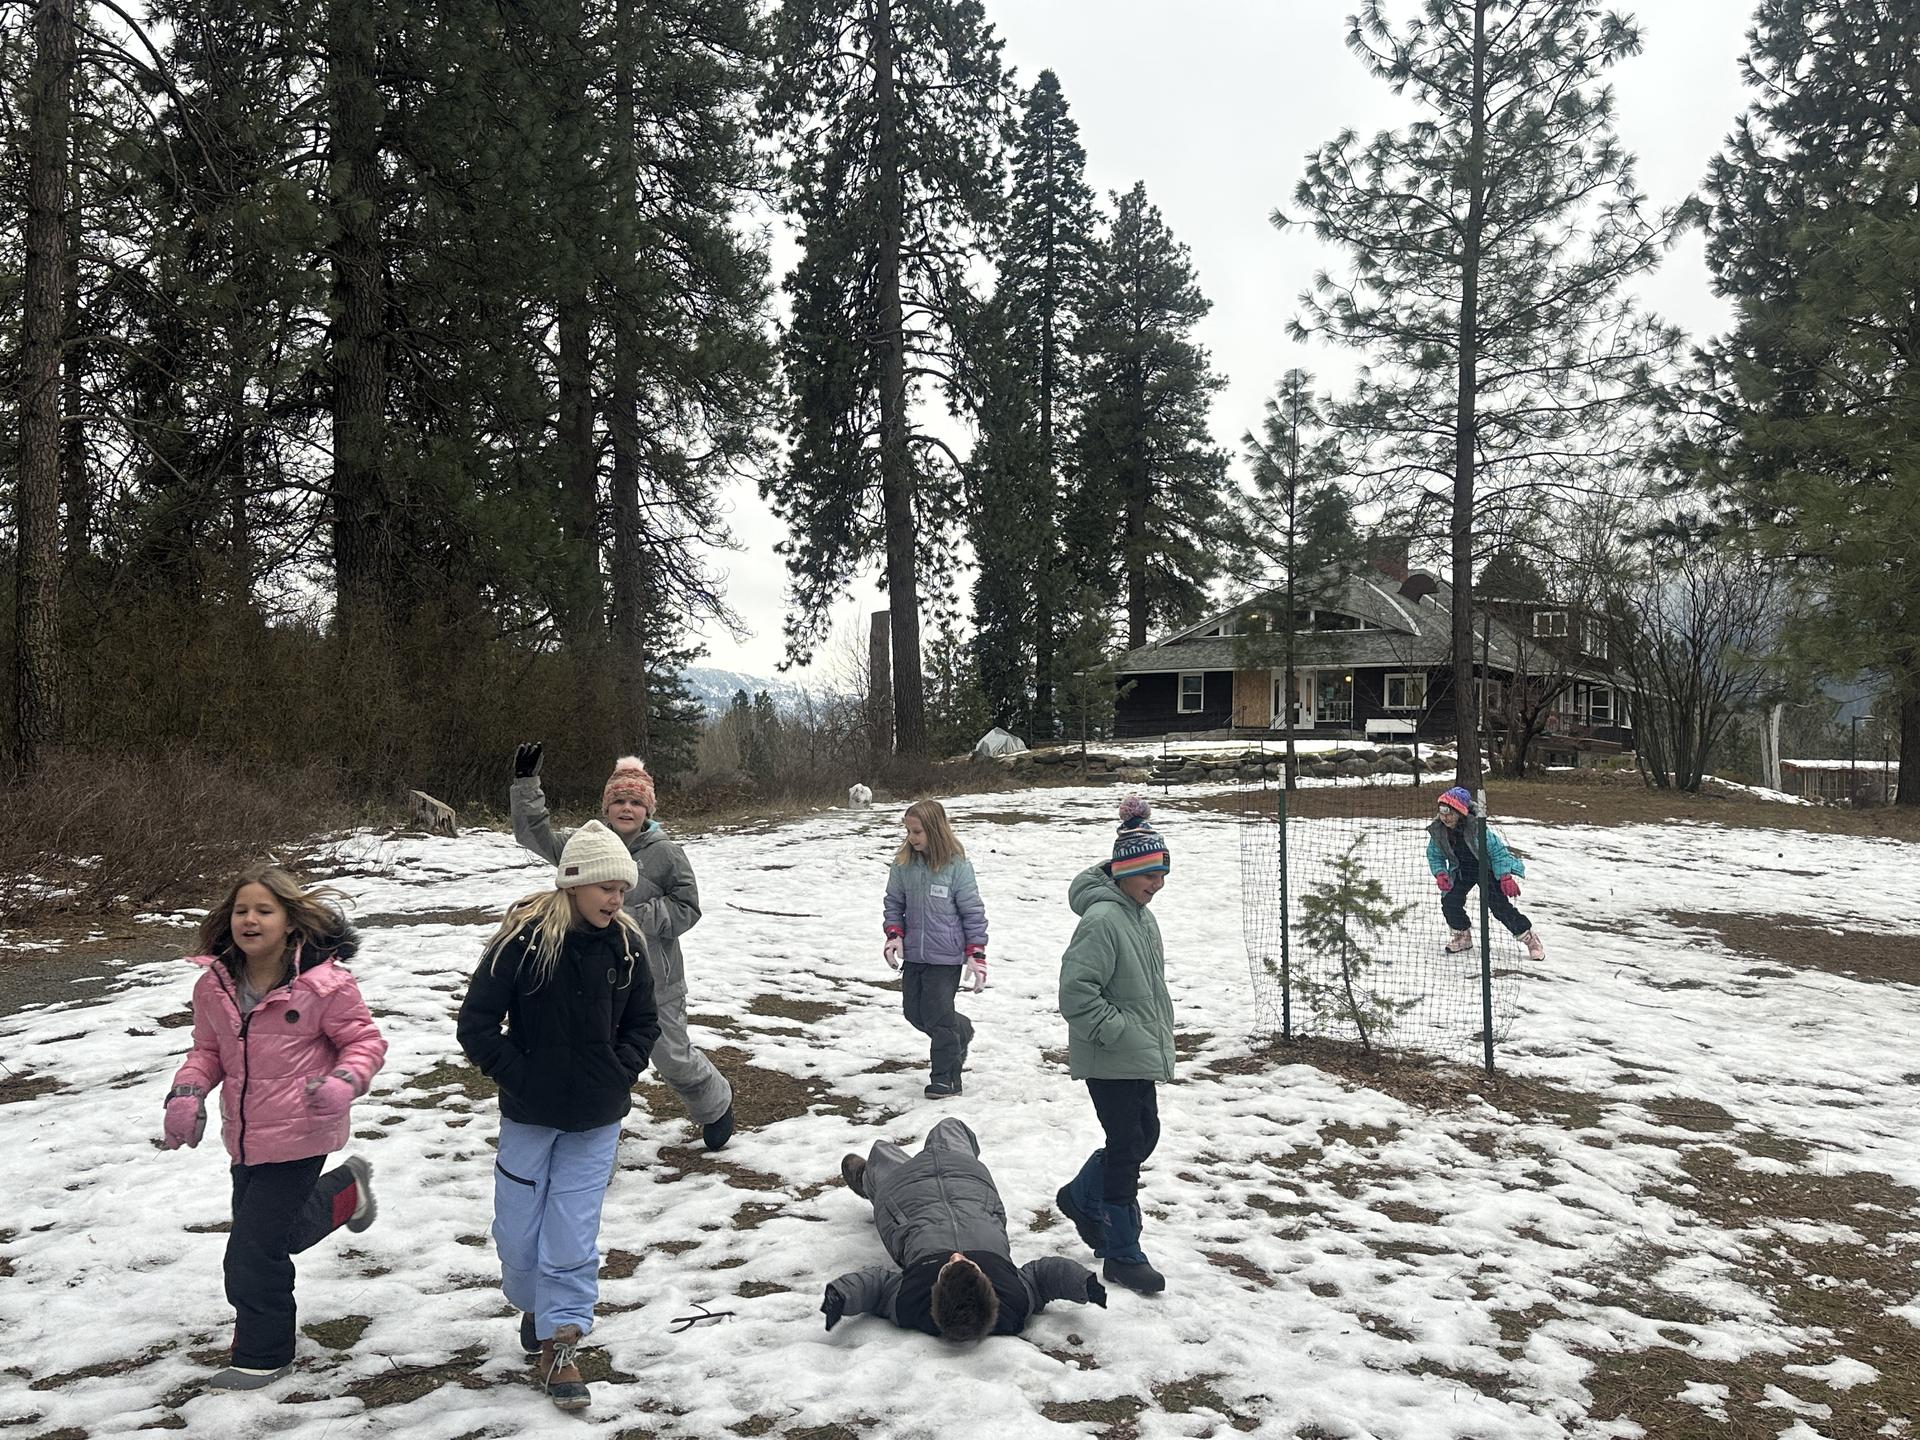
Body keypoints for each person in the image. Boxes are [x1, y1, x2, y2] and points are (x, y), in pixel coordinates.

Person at [457, 820, 658, 1412]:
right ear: (573, 884)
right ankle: (536, 1305)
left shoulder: (626, 945)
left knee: (573, 1228)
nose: (616, 898)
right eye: (605, 887)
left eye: (622, 887)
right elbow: (475, 1026)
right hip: (529, 1114)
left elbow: (644, 1023)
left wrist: (619, 1069)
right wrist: (522, 1076)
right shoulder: (521, 943)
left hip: (598, 1116)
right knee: (518, 1234)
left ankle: (562, 1340)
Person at [162, 865, 386, 1391]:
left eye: (264, 910)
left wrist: (345, 1080)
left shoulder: (324, 985)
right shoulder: (214, 984)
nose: (250, 919)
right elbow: (208, 1050)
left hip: (303, 1127)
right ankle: (345, 1193)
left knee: (251, 1251)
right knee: (276, 1234)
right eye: (242, 910)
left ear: (289, 922)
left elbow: (365, 1042)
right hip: (245, 1133)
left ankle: (263, 1355)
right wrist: (188, 1091)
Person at [510, 744, 734, 1150]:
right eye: (618, 800)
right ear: (606, 805)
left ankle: (715, 1103)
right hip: (595, 982)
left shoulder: (667, 854)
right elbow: (533, 833)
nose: (626, 808)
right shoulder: (584, 846)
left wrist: (636, 913)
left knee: (673, 1057)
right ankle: (594, 1151)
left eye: (635, 802)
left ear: (648, 809)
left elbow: (688, 908)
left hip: (656, 982)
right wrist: (527, 785)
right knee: (600, 1063)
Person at [824, 1117, 1106, 1339]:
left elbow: (878, 1287)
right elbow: (1044, 1276)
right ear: (989, 1288)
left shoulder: (911, 1300)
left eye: (947, 1268)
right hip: (965, 1180)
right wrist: (1084, 1284)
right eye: (969, 1266)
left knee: (881, 1151)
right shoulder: (1014, 1299)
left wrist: (840, 1296)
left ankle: (866, 1179)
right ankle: (898, 1165)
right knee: (950, 1126)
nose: (956, 1256)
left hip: (905, 1195)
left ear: (935, 1290)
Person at [1053, 795, 1175, 1296]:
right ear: (1124, 871)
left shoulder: (1138, 915)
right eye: (1150, 875)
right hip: (1111, 1055)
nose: (1158, 885)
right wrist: (1118, 1031)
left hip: (1135, 1049)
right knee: (1126, 1147)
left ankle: (1082, 1197)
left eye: (1163, 875)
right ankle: (1123, 1252)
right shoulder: (1103, 920)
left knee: (1144, 1134)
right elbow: (1075, 992)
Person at [882, 799, 989, 1099]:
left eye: (917, 832)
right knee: (914, 1012)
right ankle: (962, 1030)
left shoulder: (957, 867)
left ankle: (945, 1078)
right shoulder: (904, 865)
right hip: (915, 953)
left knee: (939, 1017)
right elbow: (894, 903)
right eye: (909, 832)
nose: (912, 838)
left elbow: (972, 912)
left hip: (946, 957)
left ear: (935, 830)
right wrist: (894, 934)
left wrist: (976, 953)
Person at [1427, 786, 1546, 960]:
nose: (1445, 817)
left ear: (1461, 812)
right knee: (1450, 900)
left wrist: (1505, 876)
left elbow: (1498, 853)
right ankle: (1462, 935)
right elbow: (1434, 855)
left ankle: (1529, 938)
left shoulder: (1477, 828)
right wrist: (1440, 873)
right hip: (1461, 870)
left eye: (1449, 813)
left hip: (1486, 868)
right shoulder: (1438, 831)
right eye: (1442, 812)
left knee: (1499, 906)